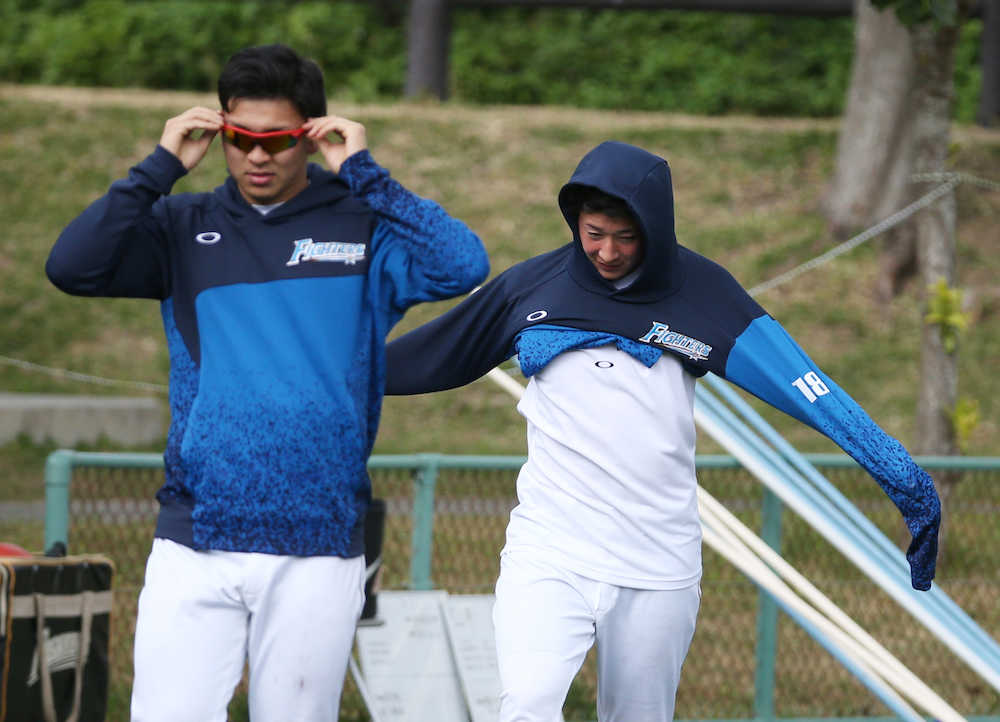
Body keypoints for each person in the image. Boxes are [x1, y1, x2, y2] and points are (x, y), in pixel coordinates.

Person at [383, 140, 940, 721]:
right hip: (550, 548)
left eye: (625, 237)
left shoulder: (704, 293)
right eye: (593, 233)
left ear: (655, 228)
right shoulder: (533, 286)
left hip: (657, 562)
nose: (606, 251)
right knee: (526, 703)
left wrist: (900, 475)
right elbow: (433, 353)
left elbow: (808, 390)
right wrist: (340, 378)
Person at [45, 44, 488, 721]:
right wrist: (159, 168)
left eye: (276, 140)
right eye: (239, 138)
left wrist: (365, 173)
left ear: (310, 135)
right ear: (220, 131)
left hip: (319, 539)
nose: (256, 155)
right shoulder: (181, 225)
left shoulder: (365, 224)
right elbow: (71, 267)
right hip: (195, 534)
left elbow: (462, 265)